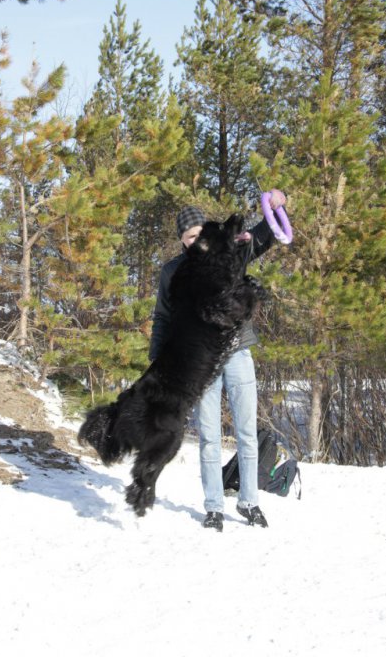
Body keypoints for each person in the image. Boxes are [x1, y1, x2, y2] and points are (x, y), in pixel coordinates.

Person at [149, 190, 287, 531]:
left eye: (201, 233)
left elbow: (266, 233)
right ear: (183, 241)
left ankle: (249, 502)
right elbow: (162, 318)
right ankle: (212, 506)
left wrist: (276, 206)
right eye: (190, 236)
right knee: (209, 436)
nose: (198, 241)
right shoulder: (173, 273)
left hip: (238, 352)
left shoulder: (230, 251)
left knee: (246, 433)